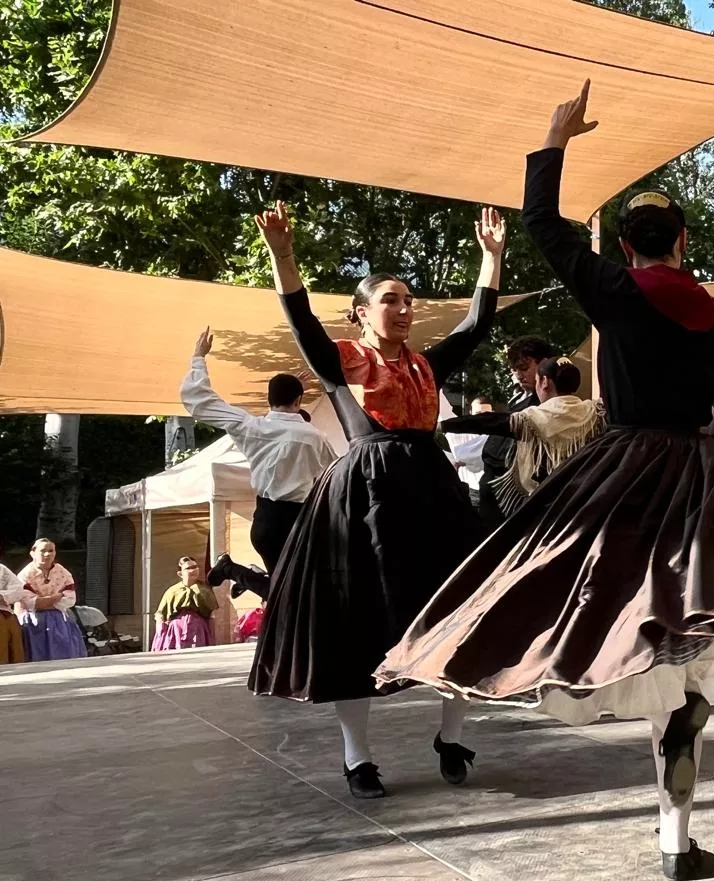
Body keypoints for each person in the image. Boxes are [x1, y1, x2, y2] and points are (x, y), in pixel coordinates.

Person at [374, 81, 714, 881]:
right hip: (701, 474)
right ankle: (675, 834)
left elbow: (544, 227)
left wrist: (554, 137)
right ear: (682, 243)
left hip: (624, 474)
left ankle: (667, 816)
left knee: (587, 599)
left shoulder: (614, 291)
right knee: (691, 646)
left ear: (627, 247)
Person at [247, 201, 504, 800]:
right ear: (361, 312)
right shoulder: (343, 362)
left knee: (458, 610)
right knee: (356, 622)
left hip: (430, 493)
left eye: (409, 300)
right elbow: (303, 325)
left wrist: (491, 261)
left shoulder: (424, 365)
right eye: (392, 299)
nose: (405, 308)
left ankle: (452, 735)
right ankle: (357, 756)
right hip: (363, 496)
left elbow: (473, 328)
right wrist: (283, 256)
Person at [183, 329, 335, 600]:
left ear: (269, 399)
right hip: (301, 519)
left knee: (289, 592)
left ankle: (236, 571)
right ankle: (235, 571)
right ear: (299, 400)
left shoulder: (251, 427)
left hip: (266, 519)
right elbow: (336, 474)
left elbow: (202, 402)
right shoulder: (314, 438)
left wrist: (198, 357)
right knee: (296, 592)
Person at [438, 356, 604, 515]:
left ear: (545, 382)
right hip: (586, 499)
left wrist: (442, 425)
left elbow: (487, 421)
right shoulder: (595, 412)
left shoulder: (530, 419)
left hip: (545, 507)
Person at [479, 335, 556, 526]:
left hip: (515, 496)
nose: (519, 375)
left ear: (543, 364)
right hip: (496, 488)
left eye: (524, 368)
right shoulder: (518, 398)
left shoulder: (548, 405)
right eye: (515, 370)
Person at [15, 539, 86, 661]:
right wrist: (57, 597)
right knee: (37, 656)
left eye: (51, 551)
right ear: (33, 553)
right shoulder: (25, 575)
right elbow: (31, 603)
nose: (47, 554)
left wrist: (44, 602)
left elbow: (70, 599)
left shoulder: (62, 572)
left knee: (65, 656)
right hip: (33, 621)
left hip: (60, 620)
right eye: (43, 551)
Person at [151, 557, 218, 651]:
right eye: (189, 568)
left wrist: (211, 636)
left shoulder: (205, 590)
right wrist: (160, 634)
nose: (193, 570)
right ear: (180, 573)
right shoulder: (172, 591)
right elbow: (160, 614)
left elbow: (212, 614)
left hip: (198, 630)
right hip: (176, 630)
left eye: (195, 567)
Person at [0, 558, 29, 664]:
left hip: (4, 613)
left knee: (9, 622)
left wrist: (2, 596)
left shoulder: (1, 569)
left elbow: (18, 590)